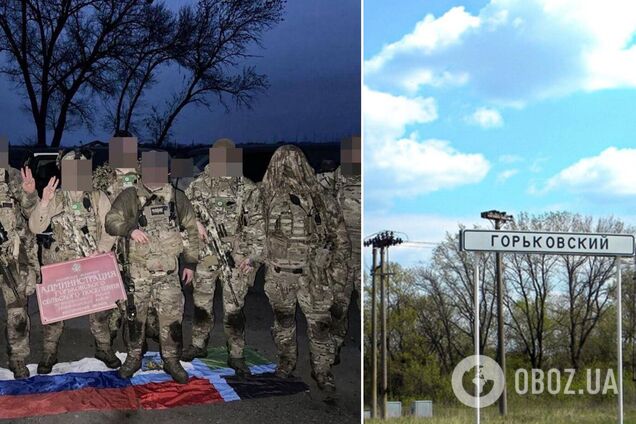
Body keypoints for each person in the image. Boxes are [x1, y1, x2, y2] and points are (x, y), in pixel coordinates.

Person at [244, 145, 350, 392]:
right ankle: (286, 362)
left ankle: (322, 371)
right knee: (284, 322)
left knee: (319, 325)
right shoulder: (264, 196)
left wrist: (337, 274)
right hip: (280, 274)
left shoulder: (321, 198)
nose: (289, 169)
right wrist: (251, 259)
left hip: (313, 276)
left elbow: (340, 240)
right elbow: (251, 231)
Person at [105, 151, 199, 384]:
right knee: (136, 319)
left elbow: (190, 231)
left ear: (167, 172)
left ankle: (171, 360)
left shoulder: (177, 198)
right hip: (138, 274)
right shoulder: (130, 196)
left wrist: (190, 263)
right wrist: (130, 229)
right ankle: (134, 358)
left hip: (168, 274)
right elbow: (110, 221)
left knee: (172, 320)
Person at [29, 150, 118, 374]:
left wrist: (101, 250)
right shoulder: (56, 196)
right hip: (60, 265)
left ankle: (104, 348)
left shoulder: (98, 197)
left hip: (91, 263)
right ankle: (49, 352)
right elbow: (35, 227)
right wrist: (44, 202)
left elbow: (110, 228)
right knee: (54, 313)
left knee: (100, 311)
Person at [181, 138, 262, 378]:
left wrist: (252, 257)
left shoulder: (246, 188)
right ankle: (198, 344)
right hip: (205, 258)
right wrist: (193, 228)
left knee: (234, 308)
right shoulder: (197, 187)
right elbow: (181, 217)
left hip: (235, 260)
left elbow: (258, 225)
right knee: (201, 305)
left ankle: (236, 354)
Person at [317, 136, 361, 364]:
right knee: (338, 305)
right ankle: (333, 348)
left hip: (368, 256)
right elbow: (312, 187)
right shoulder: (338, 176)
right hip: (341, 255)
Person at [0, 137, 40, 378]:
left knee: (17, 311)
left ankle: (17, 358)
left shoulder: (12, 175)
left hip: (12, 256)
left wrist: (30, 193)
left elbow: (28, 208)